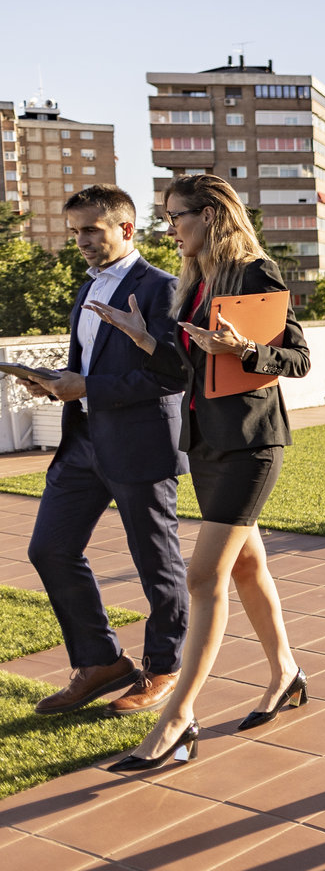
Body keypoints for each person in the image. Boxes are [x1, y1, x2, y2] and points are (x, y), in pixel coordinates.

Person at [87, 173, 312, 771]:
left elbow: (298, 358)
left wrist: (244, 352)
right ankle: (286, 673)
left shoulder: (254, 275)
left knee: (203, 576)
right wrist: (142, 338)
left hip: (251, 445)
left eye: (177, 216)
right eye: (166, 216)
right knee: (246, 565)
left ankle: (179, 719)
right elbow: (183, 370)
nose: (171, 228)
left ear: (211, 215)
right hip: (206, 445)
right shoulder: (194, 284)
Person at [26, 186, 190, 718]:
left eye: (92, 230)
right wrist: (56, 383)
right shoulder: (88, 288)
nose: (82, 241)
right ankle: (101, 662)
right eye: (75, 232)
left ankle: (163, 667)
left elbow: (170, 376)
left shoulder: (165, 289)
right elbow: (91, 364)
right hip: (82, 444)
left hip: (140, 445)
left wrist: (87, 387)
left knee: (155, 563)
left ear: (126, 229)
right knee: (49, 548)